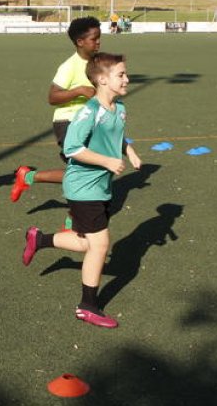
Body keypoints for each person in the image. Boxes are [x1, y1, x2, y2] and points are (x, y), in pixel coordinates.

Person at [21, 52, 142, 329]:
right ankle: (87, 306)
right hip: (81, 187)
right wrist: (107, 161)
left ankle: (39, 239)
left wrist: (130, 151)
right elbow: (72, 148)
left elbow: (116, 134)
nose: (127, 78)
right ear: (101, 79)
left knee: (88, 244)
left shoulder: (119, 108)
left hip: (100, 188)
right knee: (100, 245)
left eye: (126, 73)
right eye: (121, 74)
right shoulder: (88, 112)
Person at [11, 17, 101, 204]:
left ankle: (28, 177)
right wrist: (79, 91)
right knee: (84, 174)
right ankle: (73, 222)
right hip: (68, 123)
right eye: (94, 39)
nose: (98, 42)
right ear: (80, 42)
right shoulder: (69, 66)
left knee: (87, 173)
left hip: (89, 122)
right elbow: (53, 97)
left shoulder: (98, 63)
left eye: (99, 38)